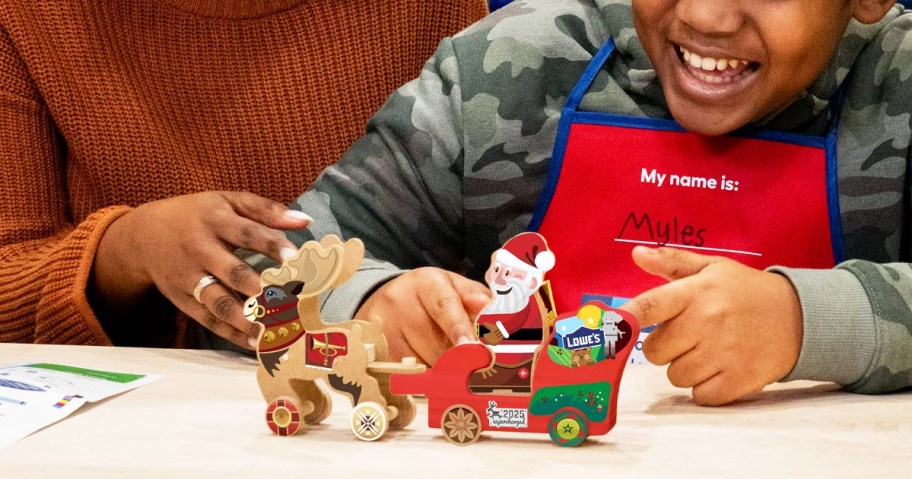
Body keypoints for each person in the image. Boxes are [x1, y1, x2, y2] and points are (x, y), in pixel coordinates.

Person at [274, 0, 912, 406]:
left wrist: (808, 322)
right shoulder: (509, 63)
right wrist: (364, 300)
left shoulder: (900, 81)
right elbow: (277, 259)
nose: (707, 17)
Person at [0, 1, 488, 350]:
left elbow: (491, 251)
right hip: (140, 420)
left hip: (383, 393)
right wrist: (124, 249)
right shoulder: (29, 18)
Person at [469, 232, 553, 393]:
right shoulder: (504, 302)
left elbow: (517, 320)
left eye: (507, 273)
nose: (498, 280)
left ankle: (513, 376)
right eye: (497, 271)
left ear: (532, 282)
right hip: (494, 353)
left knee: (517, 362)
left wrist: (500, 331)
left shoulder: (527, 303)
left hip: (518, 354)